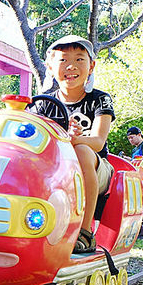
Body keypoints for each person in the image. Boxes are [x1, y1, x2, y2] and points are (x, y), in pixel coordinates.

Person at [30, 35, 115, 253]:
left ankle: (85, 232)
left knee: (82, 151)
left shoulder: (99, 99)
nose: (71, 66)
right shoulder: (42, 104)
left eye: (79, 59)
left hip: (96, 168)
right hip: (56, 170)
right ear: (50, 66)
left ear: (91, 65)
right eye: (63, 60)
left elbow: (97, 141)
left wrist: (73, 139)